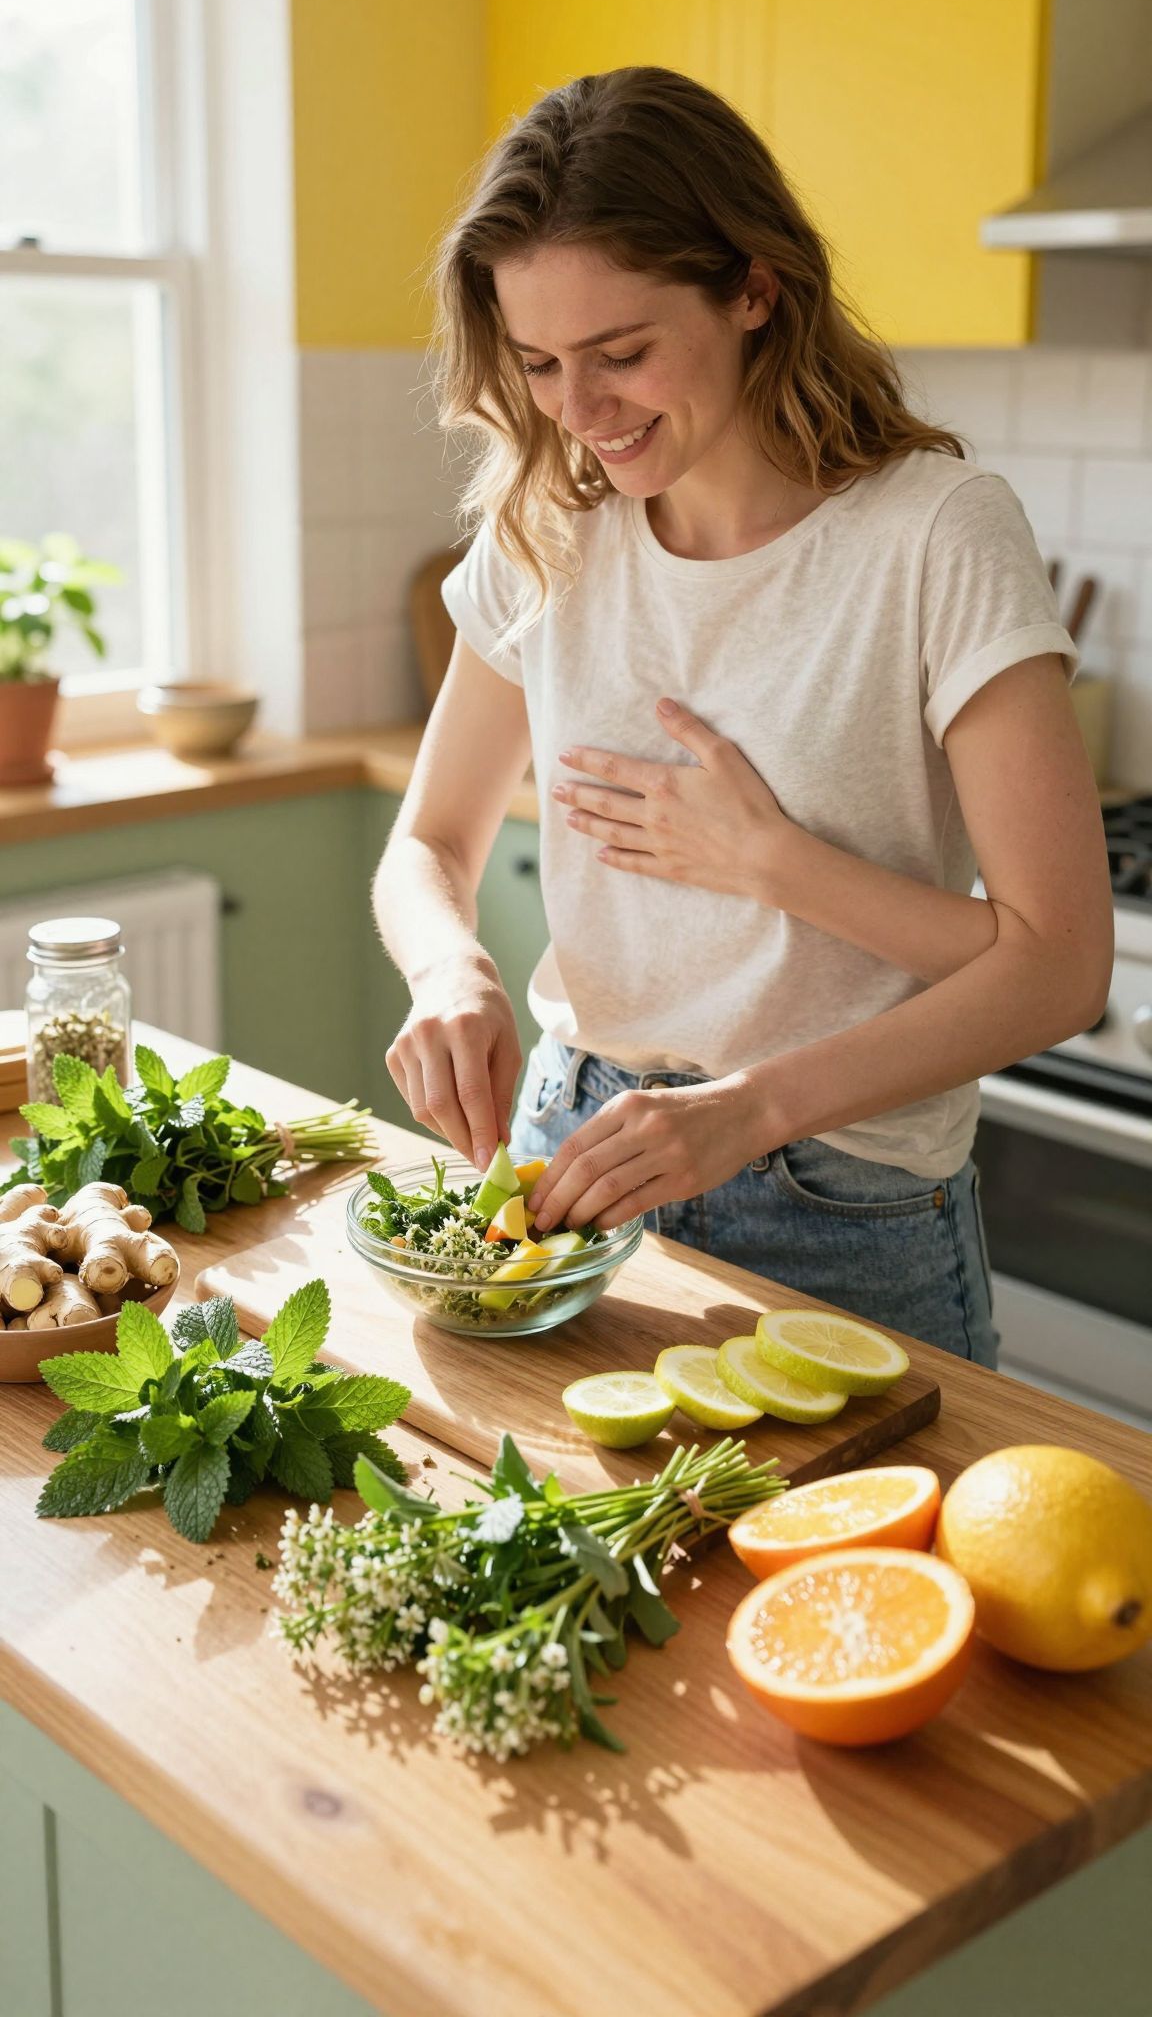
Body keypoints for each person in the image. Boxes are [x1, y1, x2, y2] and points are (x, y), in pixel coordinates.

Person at [372, 66, 1113, 1369]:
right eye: (540, 365)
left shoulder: (933, 534)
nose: (581, 415)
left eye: (623, 354)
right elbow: (429, 843)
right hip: (570, 1147)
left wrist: (747, 1091)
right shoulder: (542, 530)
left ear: (755, 290)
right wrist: (450, 970)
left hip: (842, 1196)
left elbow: (1061, 965)